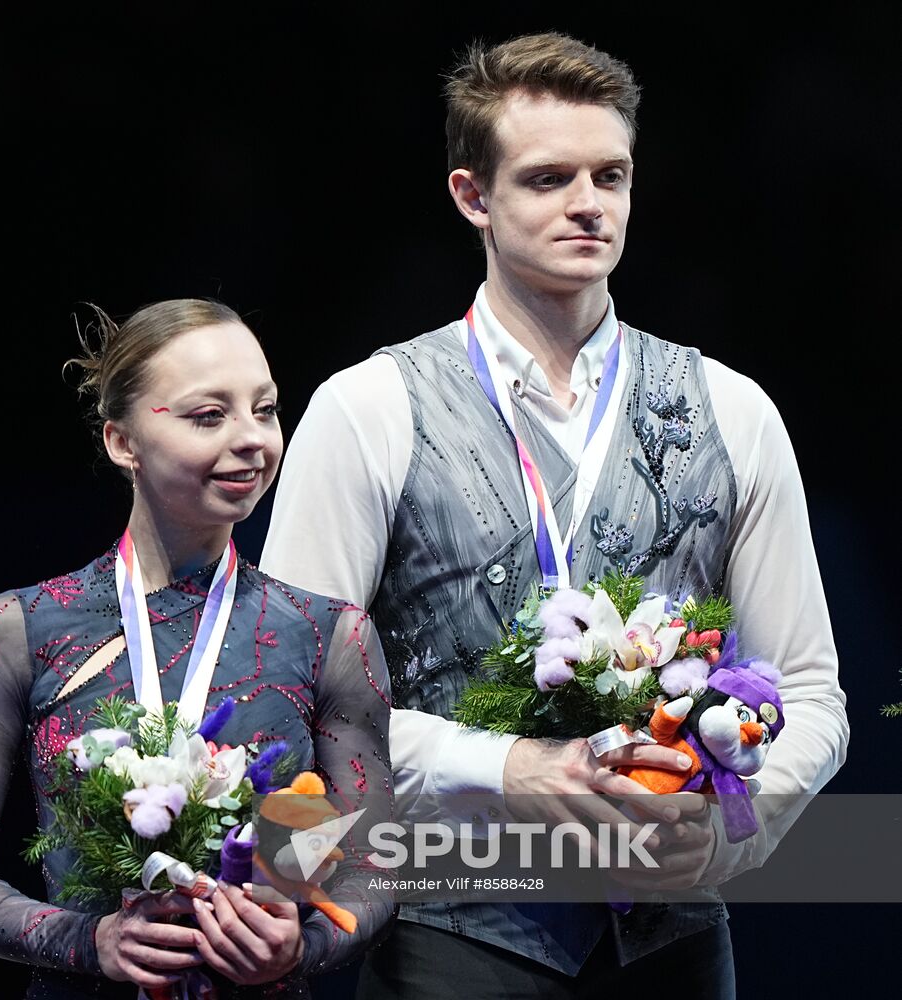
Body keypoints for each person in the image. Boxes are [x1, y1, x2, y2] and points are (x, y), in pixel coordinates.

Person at [260, 32, 848, 997]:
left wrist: (730, 829)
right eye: (547, 178)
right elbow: (288, 698)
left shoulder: (734, 411)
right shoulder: (369, 409)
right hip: (449, 930)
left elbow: (815, 691)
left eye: (608, 174)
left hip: (675, 941)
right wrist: (507, 770)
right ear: (472, 197)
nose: (588, 203)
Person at [0, 299, 394, 999]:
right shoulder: (24, 629)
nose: (253, 438)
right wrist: (88, 939)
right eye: (209, 416)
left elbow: (376, 868)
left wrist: (300, 944)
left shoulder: (328, 635)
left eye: (265, 409)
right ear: (121, 442)